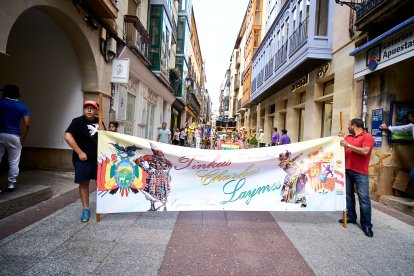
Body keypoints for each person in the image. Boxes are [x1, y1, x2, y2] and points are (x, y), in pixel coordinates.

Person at [64, 100, 103, 222]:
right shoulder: (77, 122)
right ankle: (86, 209)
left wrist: (104, 133)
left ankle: (103, 206)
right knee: (84, 183)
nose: (89, 110)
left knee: (101, 183)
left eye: (92, 108)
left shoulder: (100, 122)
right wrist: (79, 152)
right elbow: (67, 136)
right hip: (83, 160)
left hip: (99, 159)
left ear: (96, 110)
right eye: (86, 107)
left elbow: (105, 139)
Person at [339, 118, 375, 237]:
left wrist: (348, 145)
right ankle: (351, 217)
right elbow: (340, 147)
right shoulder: (348, 137)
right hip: (347, 170)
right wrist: (339, 139)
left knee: (364, 198)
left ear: (354, 125)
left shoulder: (367, 137)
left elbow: (365, 151)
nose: (348, 127)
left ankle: (367, 225)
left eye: (349, 125)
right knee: (349, 196)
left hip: (360, 172)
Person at [0, 85, 30, 193]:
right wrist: (22, 138)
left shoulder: (1, 102)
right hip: (15, 136)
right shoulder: (23, 106)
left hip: (0, 133)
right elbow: (26, 124)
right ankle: (11, 185)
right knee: (14, 161)